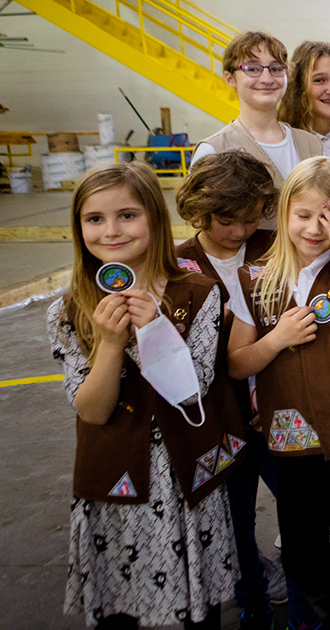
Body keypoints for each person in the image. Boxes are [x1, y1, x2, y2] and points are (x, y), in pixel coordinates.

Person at [51, 162, 241, 630]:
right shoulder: (70, 307)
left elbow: (191, 392)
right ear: (79, 228)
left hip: (187, 477)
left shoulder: (198, 293)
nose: (111, 231)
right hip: (116, 478)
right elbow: (92, 410)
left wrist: (156, 330)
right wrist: (111, 345)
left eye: (127, 215)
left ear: (154, 220)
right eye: (94, 218)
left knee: (202, 607)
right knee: (120, 605)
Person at [227, 156, 330, 628]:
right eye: (303, 215)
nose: (315, 228)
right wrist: (275, 340)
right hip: (290, 437)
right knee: (302, 554)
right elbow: (237, 363)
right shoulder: (254, 276)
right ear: (283, 215)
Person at [174, 151, 322, 629]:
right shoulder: (177, 264)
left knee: (301, 518)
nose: (240, 231)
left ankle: (304, 613)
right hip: (218, 420)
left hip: (281, 408)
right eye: (226, 221)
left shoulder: (277, 244)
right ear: (198, 208)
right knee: (232, 523)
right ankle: (252, 602)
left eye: (251, 218)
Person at [192, 32, 323, 202]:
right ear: (230, 79)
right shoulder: (213, 150)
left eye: (276, 69)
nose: (266, 79)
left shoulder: (311, 145)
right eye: (253, 69)